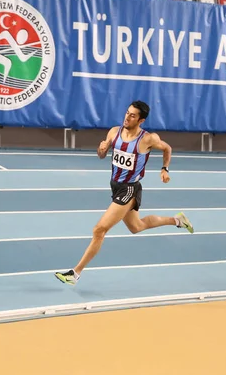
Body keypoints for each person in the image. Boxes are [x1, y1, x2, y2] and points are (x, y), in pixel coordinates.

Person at [54, 100, 194, 286]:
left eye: (133, 115)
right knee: (136, 226)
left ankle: (75, 273)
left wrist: (164, 169)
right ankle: (178, 220)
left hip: (129, 189)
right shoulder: (114, 132)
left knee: (99, 230)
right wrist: (102, 149)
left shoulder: (147, 139)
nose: (127, 117)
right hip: (115, 186)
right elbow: (102, 155)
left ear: (141, 120)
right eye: (127, 113)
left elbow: (167, 148)